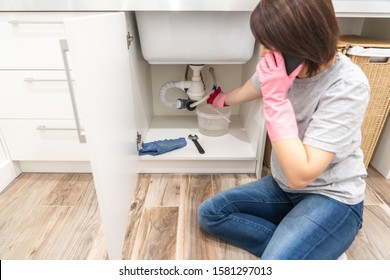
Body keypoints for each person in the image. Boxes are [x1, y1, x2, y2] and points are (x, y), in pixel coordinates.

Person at [198, 0, 370, 260]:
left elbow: (301, 175)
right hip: (283, 187)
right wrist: (220, 99)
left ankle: (310, 246)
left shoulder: (348, 84)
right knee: (210, 214)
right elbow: (249, 89)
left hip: (332, 196)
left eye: (272, 45)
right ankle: (310, 249)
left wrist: (275, 99)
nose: (264, 55)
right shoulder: (281, 68)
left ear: (303, 44)